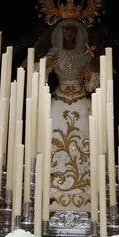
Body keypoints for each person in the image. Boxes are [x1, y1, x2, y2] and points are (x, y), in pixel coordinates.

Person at [47, 17, 99, 212]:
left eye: (72, 30)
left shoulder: (85, 53)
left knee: (83, 141)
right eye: (66, 29)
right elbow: (36, 73)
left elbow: (97, 80)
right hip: (59, 100)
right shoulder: (54, 52)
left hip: (80, 102)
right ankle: (55, 187)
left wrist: (89, 77)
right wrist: (45, 65)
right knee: (54, 138)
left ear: (78, 32)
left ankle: (83, 189)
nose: (68, 33)